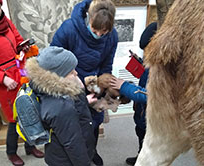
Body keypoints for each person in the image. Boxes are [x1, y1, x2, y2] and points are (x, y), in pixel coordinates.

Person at [50, 0, 118, 165]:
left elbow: (106, 65)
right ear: (89, 18)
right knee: (72, 127)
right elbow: (54, 61)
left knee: (92, 123)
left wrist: (101, 86)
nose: (99, 35)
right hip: (69, 84)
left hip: (94, 85)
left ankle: (91, 152)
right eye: (95, 30)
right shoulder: (69, 29)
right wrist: (78, 87)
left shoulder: (112, 36)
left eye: (104, 32)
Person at [0, 0, 44, 165]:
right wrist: (3, 78)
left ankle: (30, 146)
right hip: (5, 83)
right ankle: (11, 152)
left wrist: (23, 47)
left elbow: (18, 39)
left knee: (29, 111)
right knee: (14, 119)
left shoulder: (6, 22)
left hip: (21, 73)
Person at [25, 46, 96, 166]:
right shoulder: (61, 107)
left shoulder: (48, 91)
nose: (76, 72)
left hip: (57, 152)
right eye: (71, 71)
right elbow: (73, 143)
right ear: (59, 76)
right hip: (67, 160)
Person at [110, 22, 157, 166]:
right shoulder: (151, 63)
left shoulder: (163, 69)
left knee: (151, 143)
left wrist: (123, 86)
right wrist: (140, 62)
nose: (146, 53)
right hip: (141, 112)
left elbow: (150, 95)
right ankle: (140, 156)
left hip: (152, 115)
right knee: (140, 133)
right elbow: (147, 75)